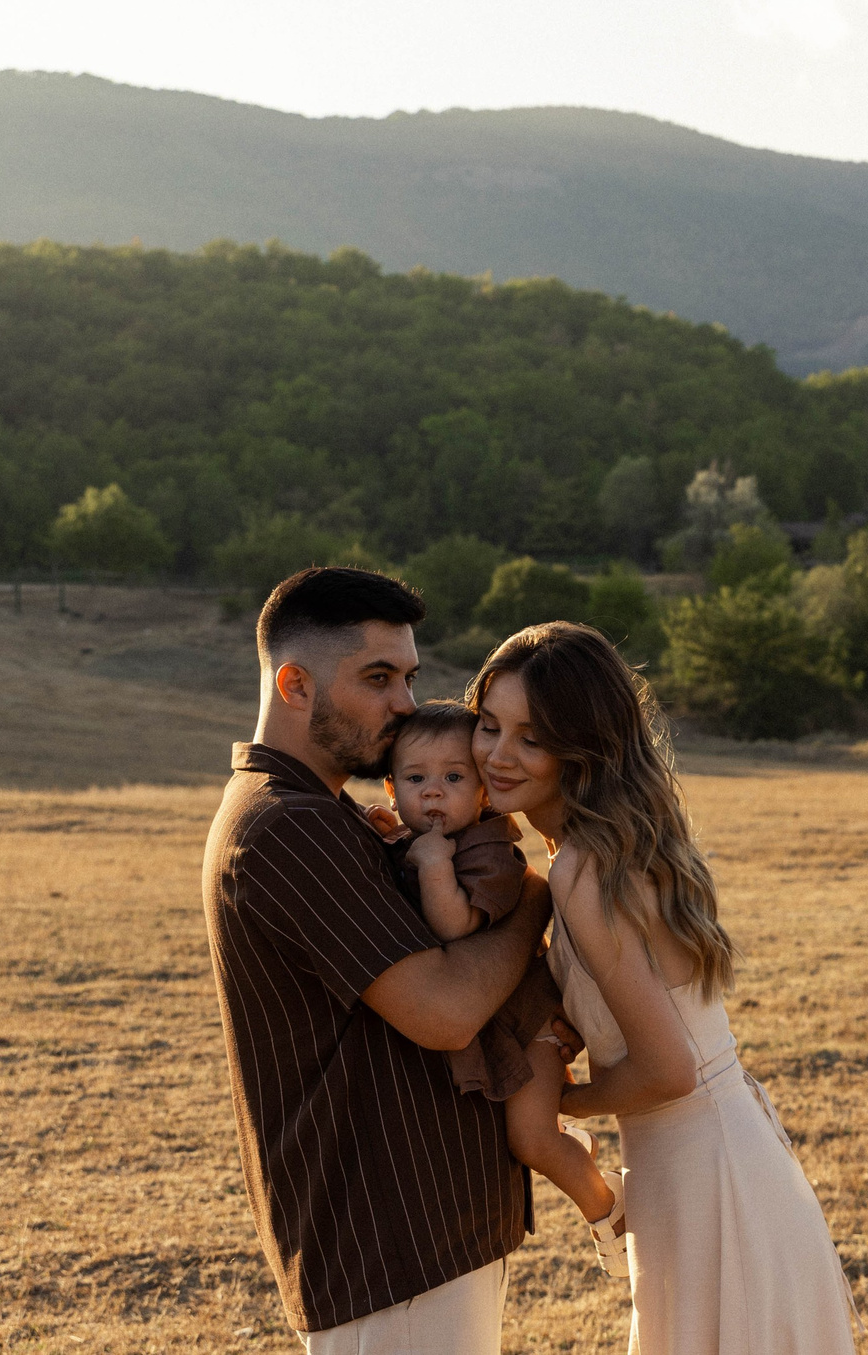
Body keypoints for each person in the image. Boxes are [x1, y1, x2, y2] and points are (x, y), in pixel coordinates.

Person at [469, 620, 857, 1355]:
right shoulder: (606, 849)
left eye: (531, 736)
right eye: (489, 725)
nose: (497, 753)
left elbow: (667, 1068)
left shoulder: (583, 869)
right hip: (714, 1161)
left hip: (708, 1178)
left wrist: (557, 1103)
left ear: (581, 746)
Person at [202, 566, 562, 1353]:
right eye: (378, 678)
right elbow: (445, 1010)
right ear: (295, 684)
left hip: (419, 1232)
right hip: (388, 1243)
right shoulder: (284, 826)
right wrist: (533, 895)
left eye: (410, 677)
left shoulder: (332, 814)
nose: (406, 703)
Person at [377, 699, 630, 1274]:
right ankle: (582, 1161)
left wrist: (434, 864)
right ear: (392, 790)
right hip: (489, 1019)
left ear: (483, 792)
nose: (433, 793)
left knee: (532, 1140)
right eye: (416, 779)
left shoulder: (491, 851)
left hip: (530, 1025)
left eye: (453, 778)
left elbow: (454, 924)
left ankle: (608, 1206)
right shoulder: (411, 838)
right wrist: (393, 839)